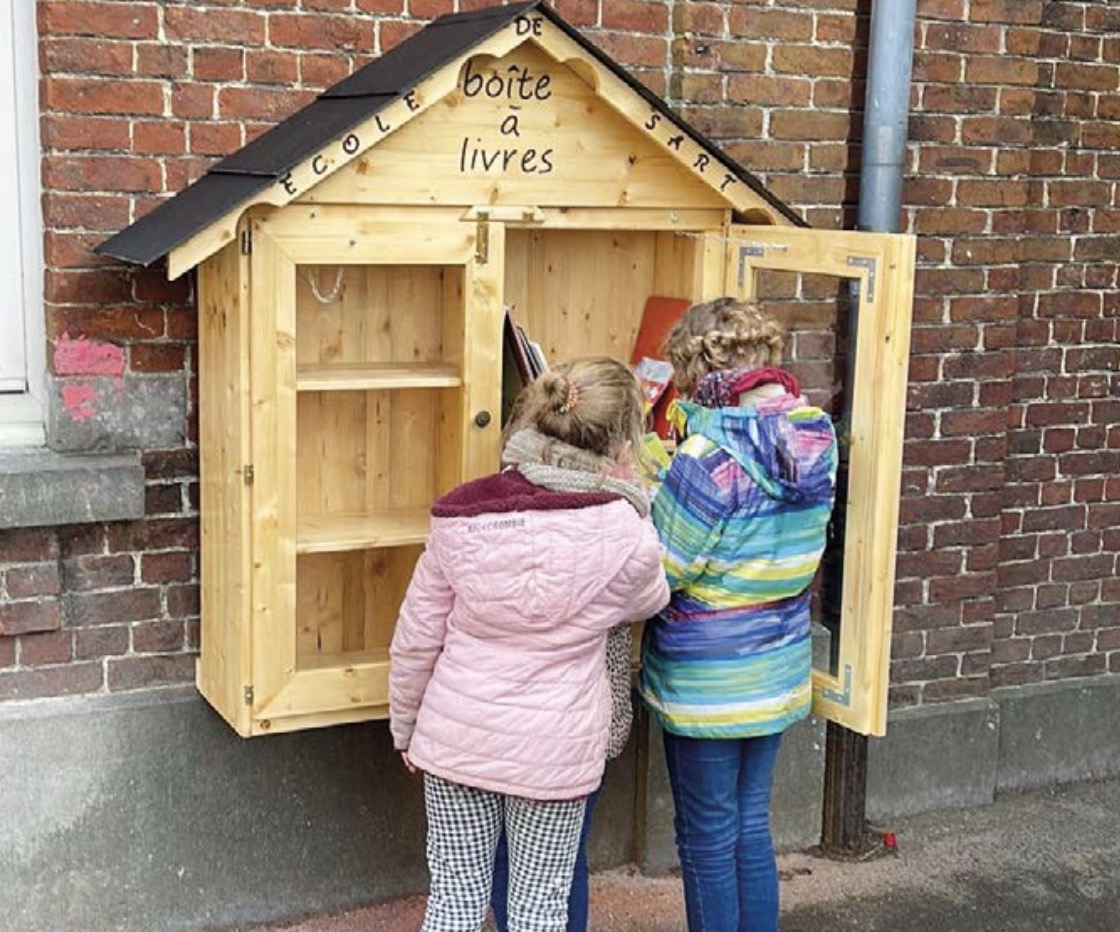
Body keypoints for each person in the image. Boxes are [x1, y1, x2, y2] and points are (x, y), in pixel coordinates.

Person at [390, 356, 670, 932]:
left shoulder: (460, 512)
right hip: (557, 750)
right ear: (622, 440)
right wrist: (630, 493)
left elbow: (417, 636)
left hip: (455, 738)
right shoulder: (625, 531)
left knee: (454, 901)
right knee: (539, 908)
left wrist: (406, 726)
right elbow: (650, 598)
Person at [639, 297, 838, 932]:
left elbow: (663, 573)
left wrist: (652, 497)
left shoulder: (705, 458)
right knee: (751, 825)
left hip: (709, 679)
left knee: (705, 836)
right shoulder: (815, 438)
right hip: (778, 663)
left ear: (697, 370)